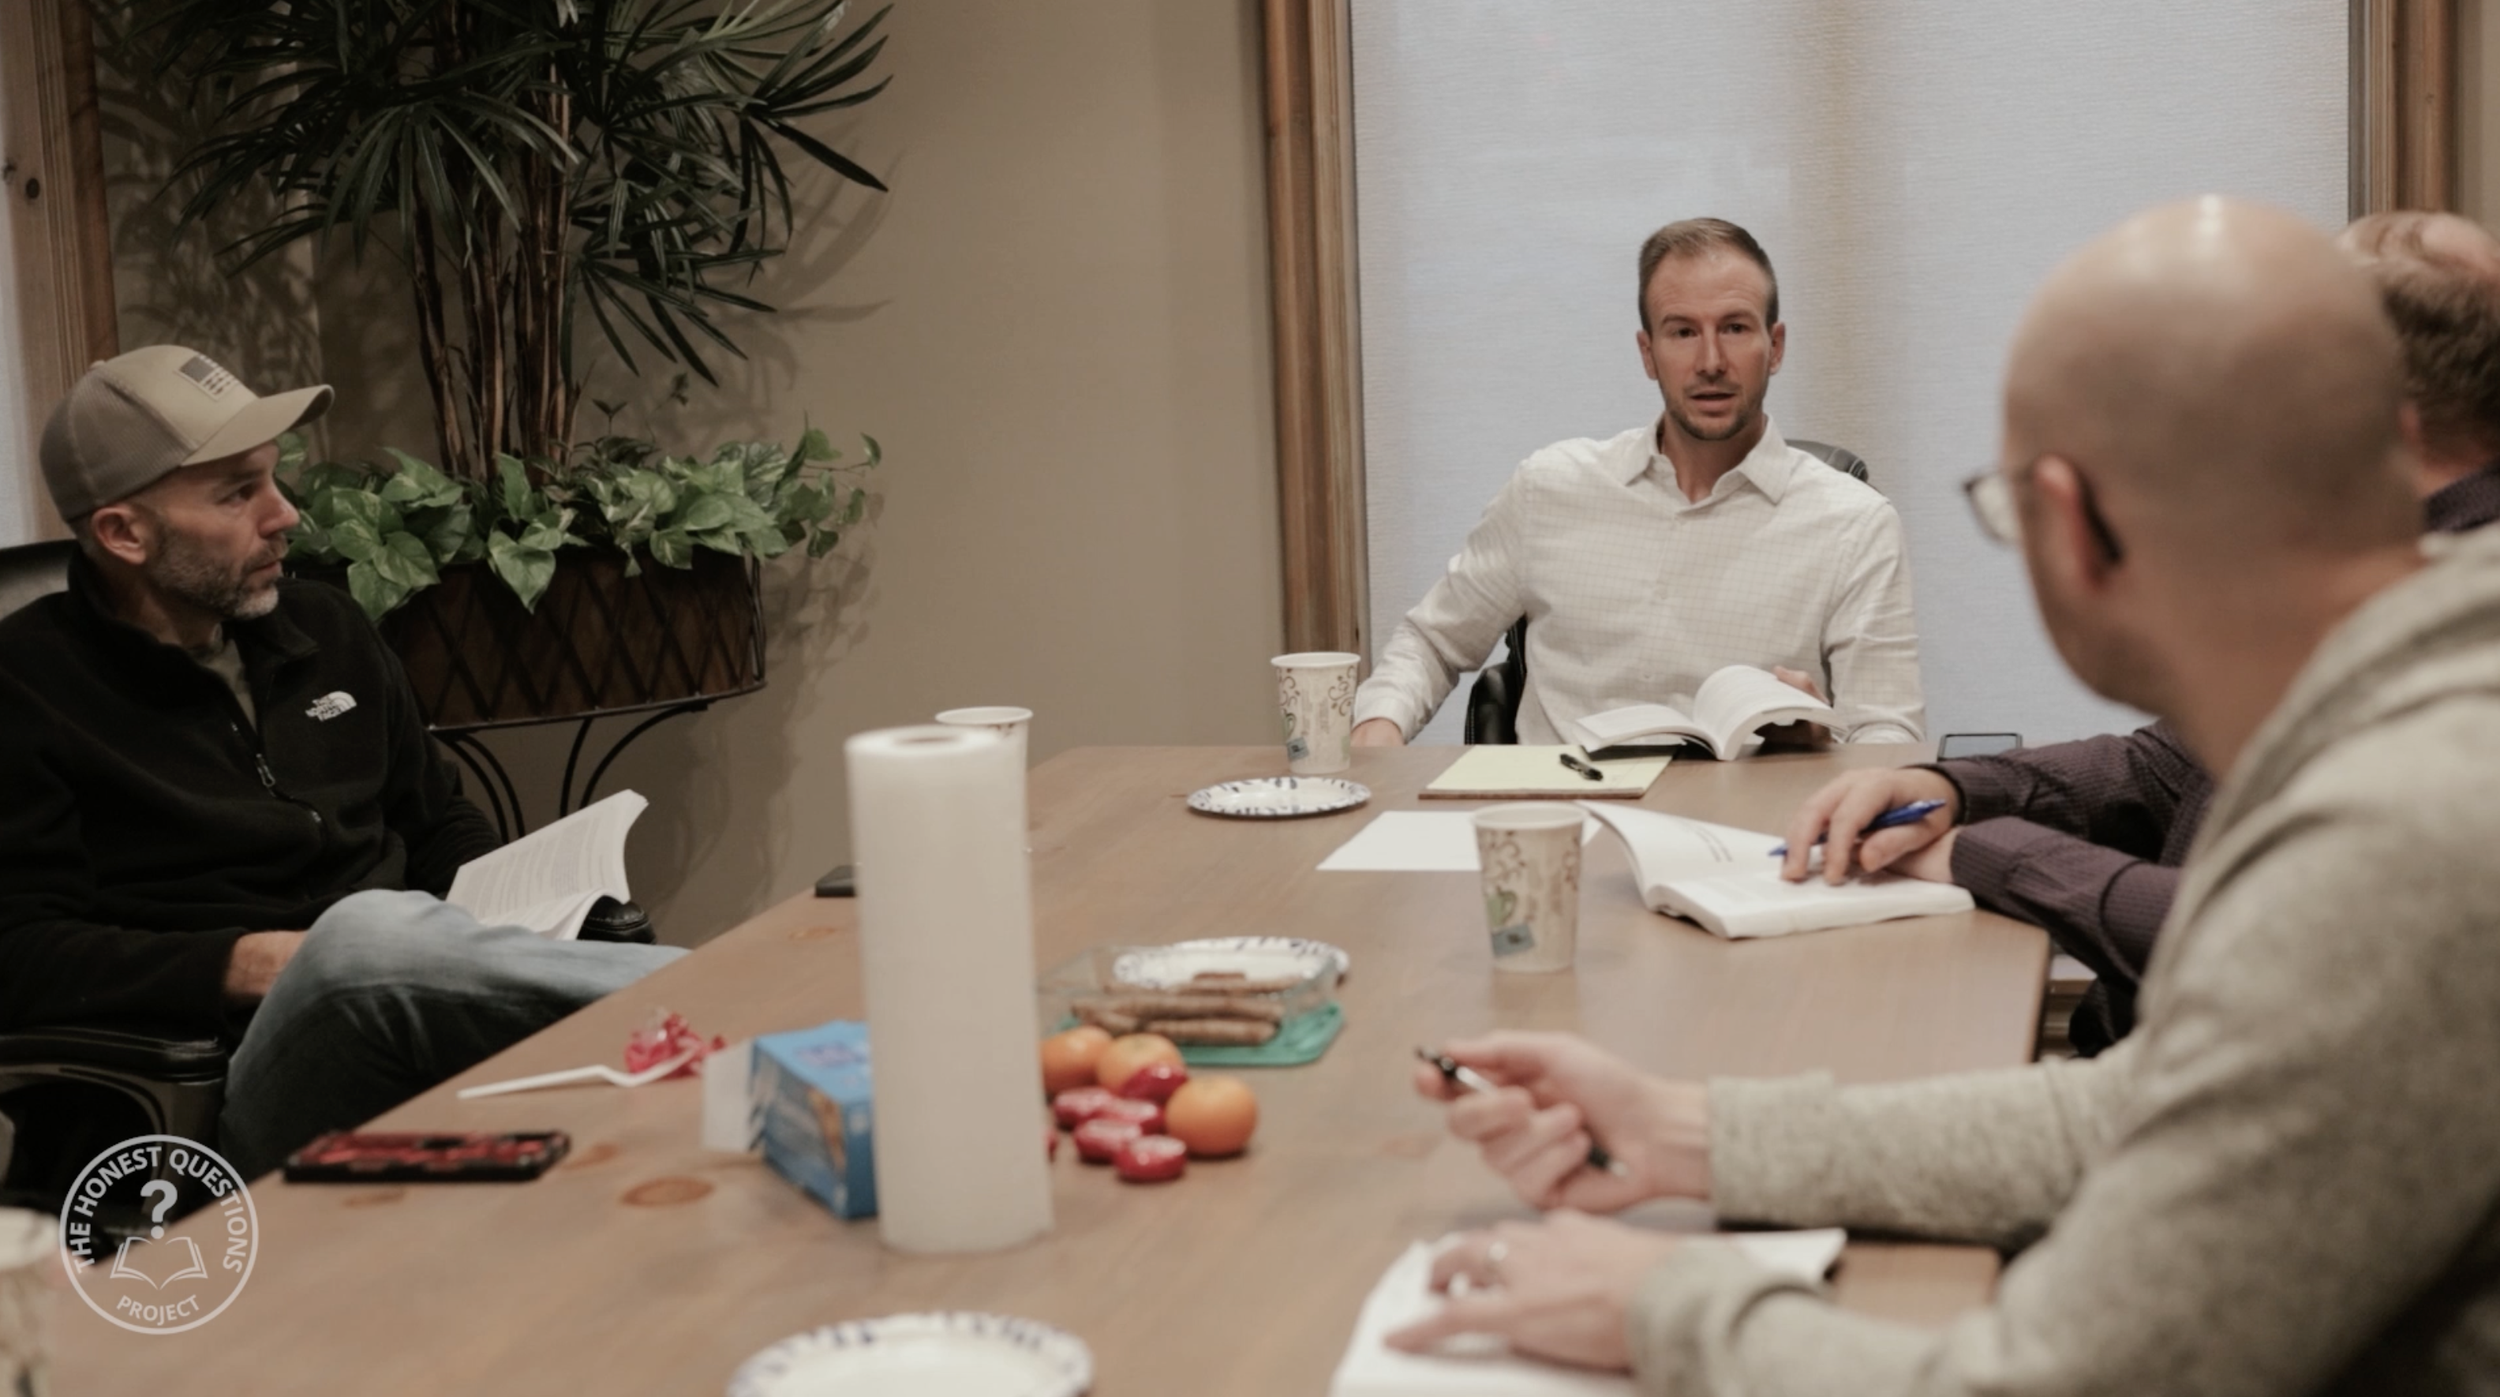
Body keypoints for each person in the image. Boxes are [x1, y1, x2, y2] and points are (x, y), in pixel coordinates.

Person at [1391, 198, 2500, 1393]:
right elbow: (2164, 1104)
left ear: (2067, 522)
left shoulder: (2403, 827)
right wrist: (1692, 1132)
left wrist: (1659, 1303)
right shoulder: (2413, 685)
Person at [1780, 209, 2500, 1053]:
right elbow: (2169, 768)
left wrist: (1987, 853)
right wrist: (1956, 786)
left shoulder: (2446, 669)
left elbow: (2265, 938)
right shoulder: (2386, 581)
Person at [0, 346, 683, 1180]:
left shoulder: (325, 629)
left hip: (405, 1010)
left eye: (273, 478)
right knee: (358, 935)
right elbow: (21, 952)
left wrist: (516, 897)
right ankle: (727, 993)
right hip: (217, 1096)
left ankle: (713, 1015)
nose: (283, 514)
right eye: (236, 493)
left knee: (651, 1138)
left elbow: (436, 821)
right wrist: (253, 961)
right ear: (123, 532)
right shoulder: (27, 687)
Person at [1348, 218, 1925, 748]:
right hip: (1559, 823)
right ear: (1648, 354)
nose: (1710, 360)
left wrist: (1824, 745)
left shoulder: (1855, 522)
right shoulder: (1549, 489)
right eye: (1681, 333)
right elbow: (1430, 643)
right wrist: (1377, 735)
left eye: (1734, 327)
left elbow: (1889, 733)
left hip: (1745, 837)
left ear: (1774, 347)